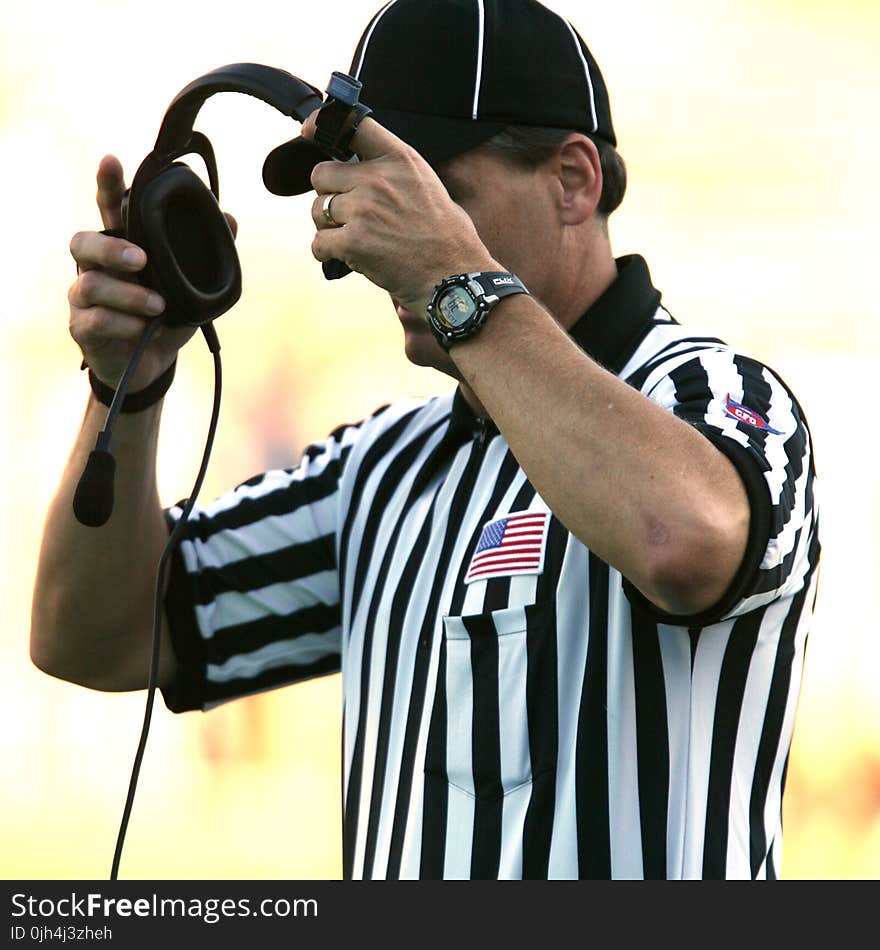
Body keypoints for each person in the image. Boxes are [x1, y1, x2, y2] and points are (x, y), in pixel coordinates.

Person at [30, 0, 820, 880]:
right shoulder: (380, 469)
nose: (371, 242)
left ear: (574, 180)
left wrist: (454, 275)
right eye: (361, 193)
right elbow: (89, 636)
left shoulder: (716, 396)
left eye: (426, 193)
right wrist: (125, 389)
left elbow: (682, 541)